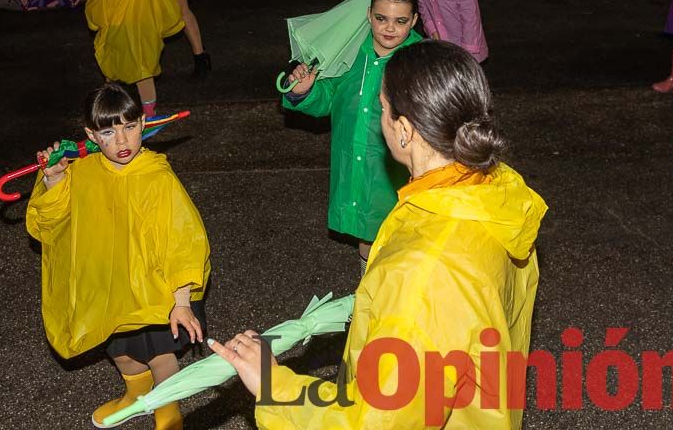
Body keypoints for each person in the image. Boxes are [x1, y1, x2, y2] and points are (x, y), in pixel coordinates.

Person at [219, 40, 547, 428]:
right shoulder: (495, 195)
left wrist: (275, 385)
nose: (380, 118)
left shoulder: (420, 273)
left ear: (405, 130)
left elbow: (374, 420)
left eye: (383, 108)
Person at [27, 81, 209, 430]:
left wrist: (181, 299)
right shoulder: (79, 171)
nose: (122, 141)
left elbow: (182, 238)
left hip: (156, 290)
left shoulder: (157, 175)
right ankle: (135, 396)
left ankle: (168, 410)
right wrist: (52, 181)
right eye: (109, 132)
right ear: (91, 136)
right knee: (121, 352)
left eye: (129, 127)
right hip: (107, 289)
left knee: (160, 355)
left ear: (143, 123)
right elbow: (49, 225)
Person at [281, 0, 423, 272]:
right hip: (355, 161)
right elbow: (328, 99)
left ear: (415, 20)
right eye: (381, 18)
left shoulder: (422, 59)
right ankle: (369, 294)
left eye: (400, 21)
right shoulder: (348, 51)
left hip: (401, 167)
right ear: (369, 14)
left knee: (404, 233)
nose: (389, 28)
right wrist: (303, 91)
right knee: (367, 229)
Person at [85, 0, 185, 116]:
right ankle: (150, 113)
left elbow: (95, 13)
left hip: (117, 36)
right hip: (144, 34)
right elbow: (164, 2)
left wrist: (96, 25)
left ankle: (110, 112)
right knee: (144, 74)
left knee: (112, 72)